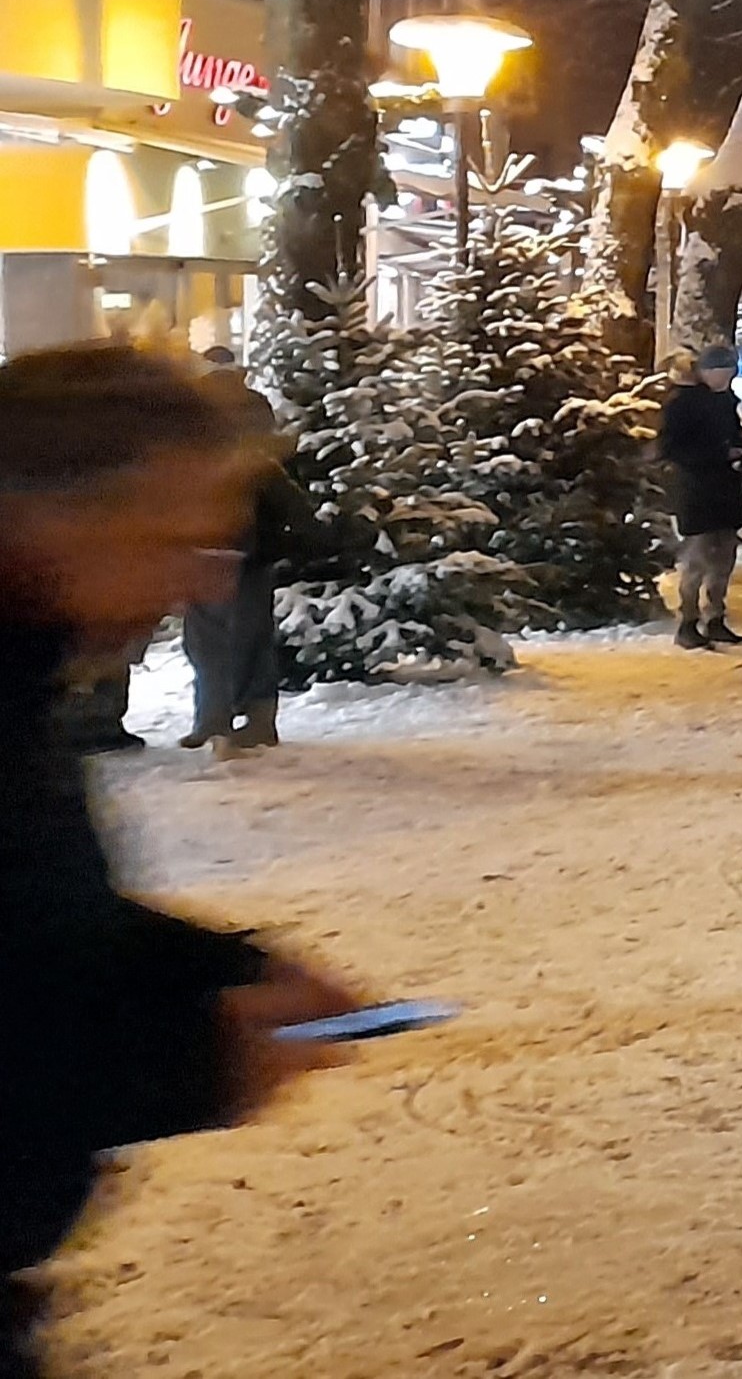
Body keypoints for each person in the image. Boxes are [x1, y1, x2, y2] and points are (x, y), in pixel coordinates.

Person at [2, 344, 363, 1379]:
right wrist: (195, 1058)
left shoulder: (24, 679)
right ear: (50, 517)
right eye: (172, 539)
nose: (202, 579)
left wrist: (223, 970)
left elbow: (29, 922)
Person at [175, 362, 296, 752]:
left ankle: (222, 720)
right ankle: (243, 719)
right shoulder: (250, 424)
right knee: (239, 638)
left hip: (222, 552)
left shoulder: (213, 433)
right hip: (241, 553)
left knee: (212, 641)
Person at [655, 347, 742, 651]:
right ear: (706, 372)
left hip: (725, 489)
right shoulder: (682, 403)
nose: (726, 379)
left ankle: (715, 617)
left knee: (724, 558)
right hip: (696, 490)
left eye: (730, 374)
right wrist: (719, 453)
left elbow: (728, 435)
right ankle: (688, 622)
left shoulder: (724, 400)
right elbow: (671, 448)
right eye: (722, 373)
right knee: (696, 559)